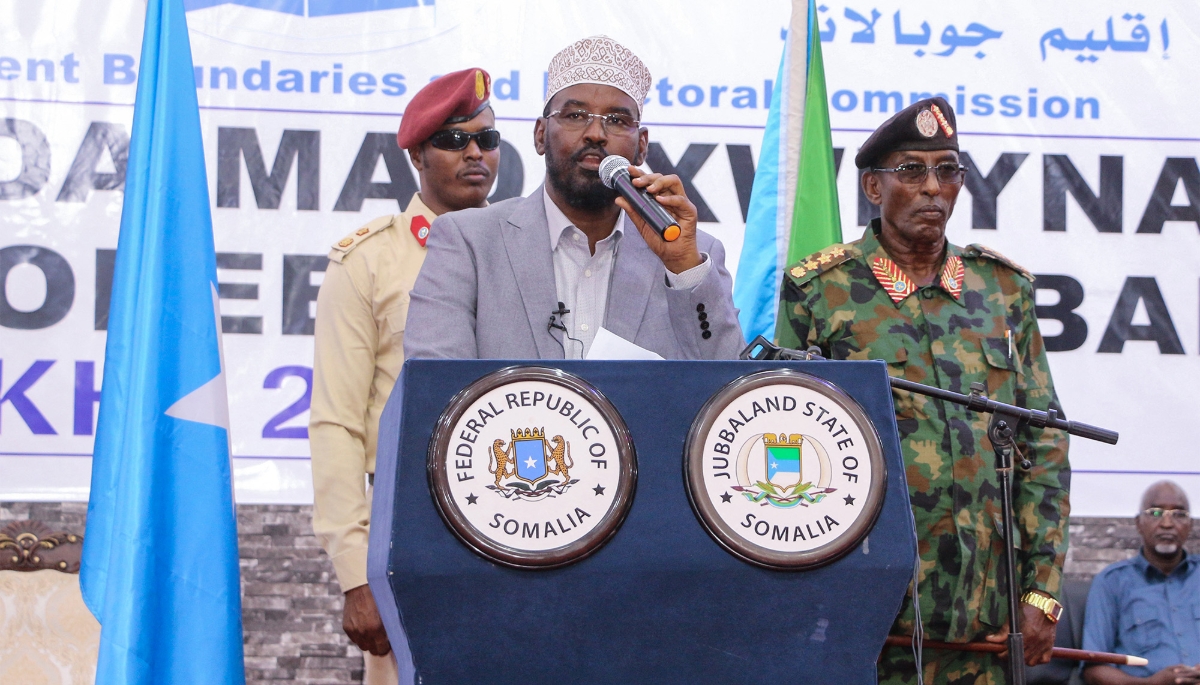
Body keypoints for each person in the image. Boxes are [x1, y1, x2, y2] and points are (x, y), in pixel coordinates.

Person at [776, 97, 1070, 684]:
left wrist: (1042, 592)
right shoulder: (821, 290)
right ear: (874, 187)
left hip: (986, 614)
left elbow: (1045, 445)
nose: (933, 188)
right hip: (864, 611)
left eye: (947, 171)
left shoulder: (1002, 290)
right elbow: (784, 437)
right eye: (911, 171)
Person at [308, 68, 500, 685]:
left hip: (522, 512)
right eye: (453, 140)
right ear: (417, 154)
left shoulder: (526, 251)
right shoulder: (368, 261)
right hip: (410, 532)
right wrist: (355, 573)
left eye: (486, 139)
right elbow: (336, 423)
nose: (475, 154)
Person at [403, 35, 742, 361]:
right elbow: (436, 382)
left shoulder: (691, 254)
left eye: (616, 120)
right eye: (575, 116)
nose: (595, 133)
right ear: (540, 135)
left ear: (641, 146)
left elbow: (730, 383)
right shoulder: (470, 242)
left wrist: (683, 268)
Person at [1083, 481, 1200, 685]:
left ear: (1190, 525)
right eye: (1155, 513)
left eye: (1178, 514)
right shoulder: (1111, 582)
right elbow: (1094, 667)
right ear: (1138, 523)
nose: (1167, 523)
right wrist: (1152, 683)